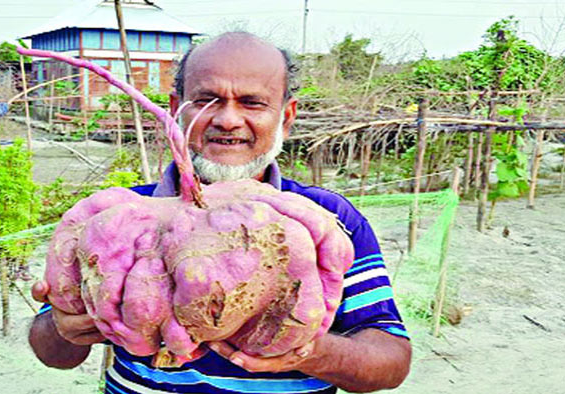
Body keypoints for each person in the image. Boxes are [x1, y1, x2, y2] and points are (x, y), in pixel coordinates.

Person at [29, 32, 411, 394]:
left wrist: (306, 349)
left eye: (252, 102)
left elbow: (391, 360)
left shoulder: (326, 217)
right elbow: (53, 355)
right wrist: (61, 325)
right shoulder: (116, 221)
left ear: (286, 116)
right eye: (207, 100)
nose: (228, 119)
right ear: (177, 109)